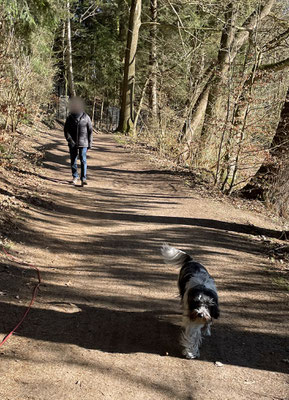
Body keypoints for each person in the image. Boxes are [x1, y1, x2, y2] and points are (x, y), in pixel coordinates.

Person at [64, 97, 93, 186]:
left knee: (83, 160)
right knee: (73, 160)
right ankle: (75, 177)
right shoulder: (69, 118)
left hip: (83, 143)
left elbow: (90, 131)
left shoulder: (86, 117)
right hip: (72, 143)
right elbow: (66, 131)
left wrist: (90, 143)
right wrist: (70, 140)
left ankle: (83, 179)